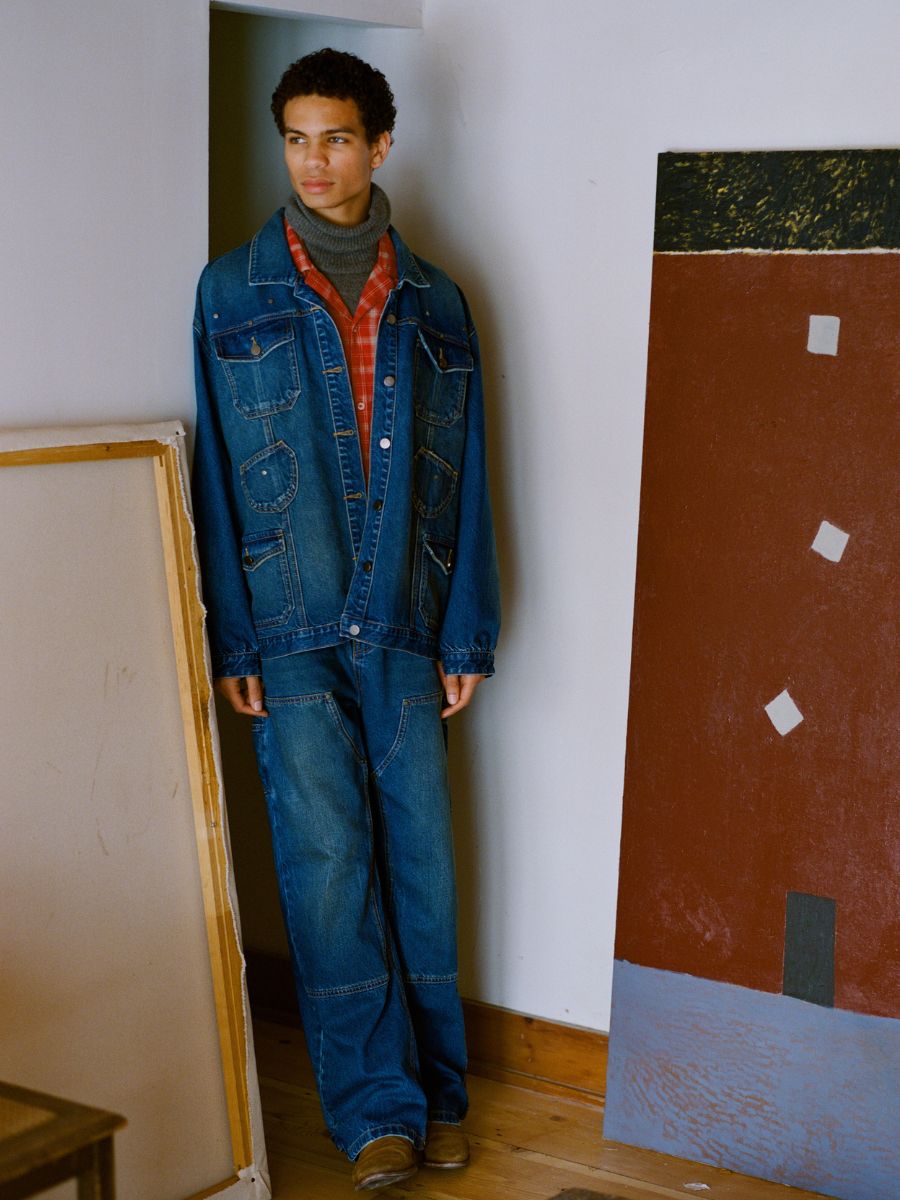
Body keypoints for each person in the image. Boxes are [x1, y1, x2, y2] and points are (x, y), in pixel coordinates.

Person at [191, 48, 500, 1192]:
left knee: (421, 865)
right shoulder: (231, 291)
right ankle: (377, 1114)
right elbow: (216, 477)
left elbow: (468, 475)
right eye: (295, 139)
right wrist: (234, 636)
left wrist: (466, 632)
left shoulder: (437, 302)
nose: (313, 162)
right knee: (327, 870)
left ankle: (437, 1095)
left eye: (335, 138)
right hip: (290, 626)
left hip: (408, 619)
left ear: (380, 144)